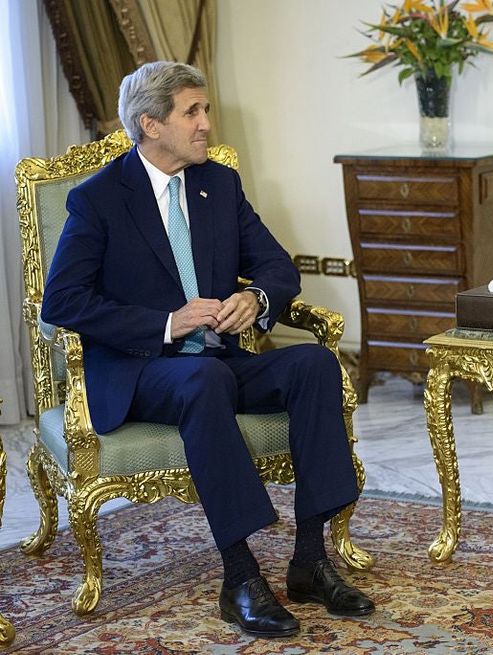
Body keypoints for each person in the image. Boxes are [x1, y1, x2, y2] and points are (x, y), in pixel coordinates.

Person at [41, 61, 375, 638]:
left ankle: (309, 560)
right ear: (149, 124)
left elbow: (275, 264)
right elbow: (63, 302)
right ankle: (240, 576)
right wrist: (166, 324)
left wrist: (258, 298)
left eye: (205, 109)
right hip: (143, 371)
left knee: (316, 363)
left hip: (220, 360)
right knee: (204, 381)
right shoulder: (97, 200)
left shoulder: (217, 184)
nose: (206, 123)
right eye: (192, 112)